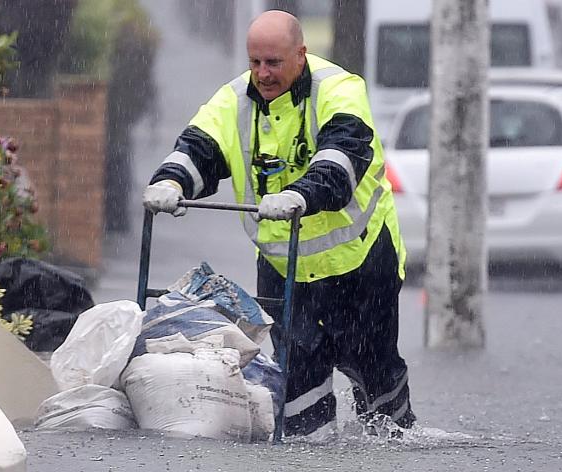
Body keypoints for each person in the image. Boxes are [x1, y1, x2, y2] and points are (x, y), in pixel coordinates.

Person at [142, 10, 415, 438]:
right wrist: (170, 180)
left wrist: (302, 194)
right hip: (284, 269)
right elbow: (200, 145)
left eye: (273, 62)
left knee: (375, 369)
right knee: (299, 376)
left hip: (361, 264)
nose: (262, 74)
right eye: (255, 63)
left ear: (301, 56)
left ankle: (397, 447)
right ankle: (306, 456)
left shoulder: (340, 90)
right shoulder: (234, 100)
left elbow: (343, 156)